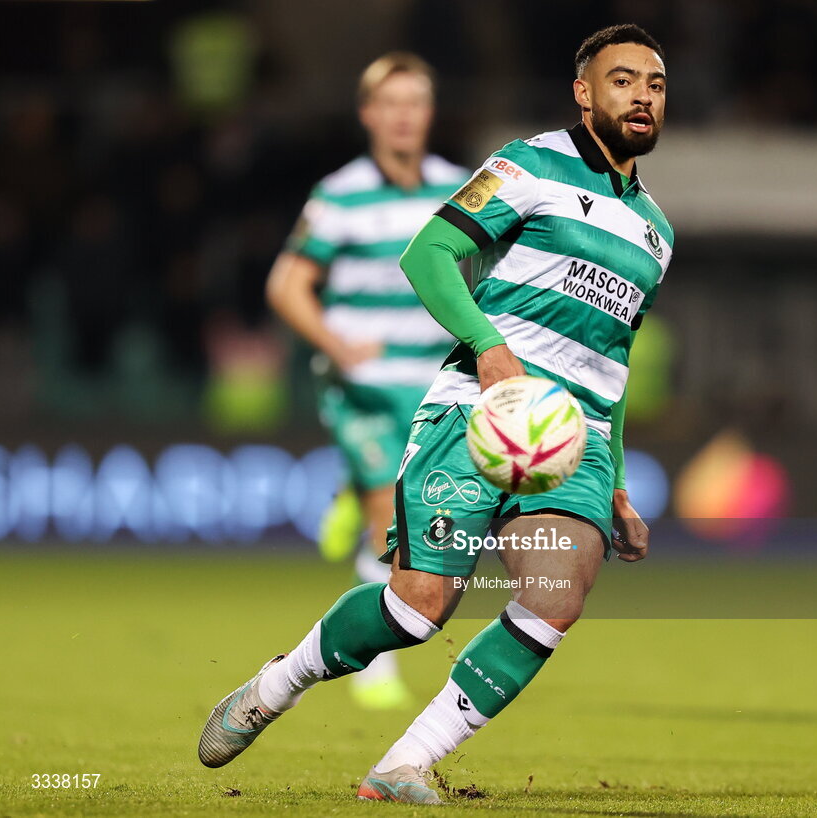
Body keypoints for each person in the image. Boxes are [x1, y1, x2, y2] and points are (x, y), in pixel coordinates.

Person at [199, 24, 673, 804]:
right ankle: (279, 683)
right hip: (476, 415)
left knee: (558, 593)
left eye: (654, 85)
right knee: (418, 608)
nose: (642, 97)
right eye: (623, 81)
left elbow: (611, 364)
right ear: (585, 93)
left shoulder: (657, 232)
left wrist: (616, 482)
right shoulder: (524, 164)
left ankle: (407, 761)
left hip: (571, 440)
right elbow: (427, 254)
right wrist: (487, 344)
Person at [263, 52, 467, 709]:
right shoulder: (339, 194)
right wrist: (335, 344)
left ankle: (354, 501)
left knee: (421, 524)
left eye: (416, 102)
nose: (404, 115)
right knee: (393, 519)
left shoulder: (462, 189)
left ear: (430, 113)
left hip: (435, 386)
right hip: (366, 385)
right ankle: (374, 665)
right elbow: (287, 284)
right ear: (369, 115)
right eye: (392, 103)